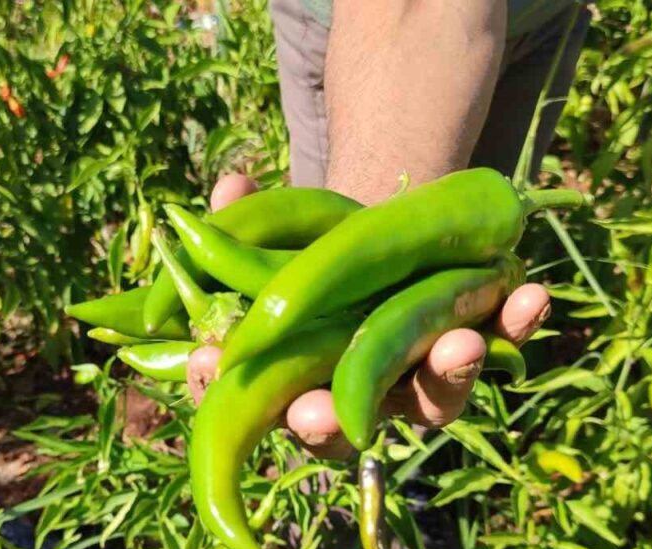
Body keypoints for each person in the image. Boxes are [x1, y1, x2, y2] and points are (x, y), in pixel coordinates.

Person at [187, 0, 592, 458]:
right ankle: (337, 490)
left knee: (448, 321)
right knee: (364, 362)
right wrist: (376, 232)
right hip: (367, 32)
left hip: (542, 19)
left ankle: (408, 470)